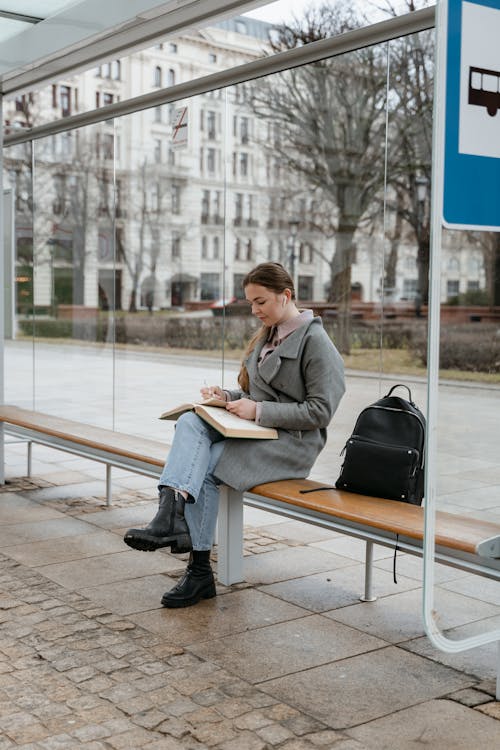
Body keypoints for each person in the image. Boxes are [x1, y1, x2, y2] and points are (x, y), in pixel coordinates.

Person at [124, 262, 345, 608]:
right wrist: (228, 398)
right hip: (260, 433)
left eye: (261, 302)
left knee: (208, 467)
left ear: (285, 296)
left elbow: (320, 412)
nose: (255, 311)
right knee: (190, 422)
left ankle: (197, 569)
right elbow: (260, 393)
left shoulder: (316, 343)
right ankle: (170, 513)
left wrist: (257, 411)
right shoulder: (270, 334)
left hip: (291, 445)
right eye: (251, 303)